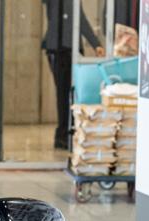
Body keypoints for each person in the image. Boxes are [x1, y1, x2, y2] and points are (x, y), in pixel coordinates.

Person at [42, 0, 104, 150]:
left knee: (69, 95)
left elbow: (80, 19)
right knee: (63, 94)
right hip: (59, 50)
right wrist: (95, 44)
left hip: (71, 50)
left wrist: (95, 44)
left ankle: (67, 133)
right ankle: (63, 135)